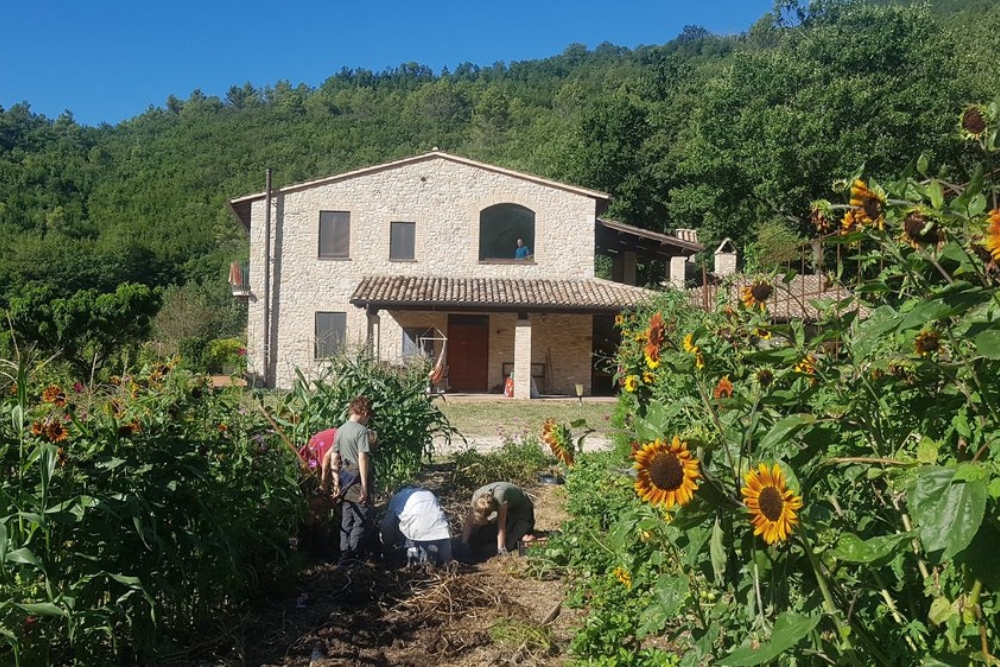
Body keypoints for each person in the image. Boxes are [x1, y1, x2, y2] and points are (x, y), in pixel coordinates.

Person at [322, 396, 375, 564]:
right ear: (365, 413)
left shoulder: (341, 430)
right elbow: (362, 458)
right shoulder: (361, 431)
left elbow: (334, 458)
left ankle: (343, 552)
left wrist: (336, 483)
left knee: (347, 518)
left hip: (345, 478)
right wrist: (365, 487)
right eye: (368, 418)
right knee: (361, 519)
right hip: (358, 479)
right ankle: (352, 555)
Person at [460, 481, 535, 560]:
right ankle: (516, 531)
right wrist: (464, 544)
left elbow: (501, 526)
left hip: (522, 512)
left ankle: (528, 537)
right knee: (486, 535)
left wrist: (501, 549)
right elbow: (468, 523)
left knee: (508, 545)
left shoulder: (500, 497)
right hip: (508, 510)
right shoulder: (476, 497)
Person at [379, 486, 452, 566]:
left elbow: (387, 526)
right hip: (441, 530)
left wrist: (386, 545)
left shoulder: (397, 497)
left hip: (416, 531)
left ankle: (413, 552)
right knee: (444, 561)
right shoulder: (428, 493)